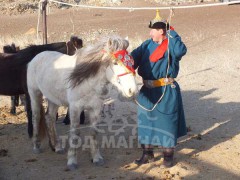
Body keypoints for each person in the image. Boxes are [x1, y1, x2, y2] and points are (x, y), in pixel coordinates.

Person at [131, 10, 187, 168]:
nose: (150, 33)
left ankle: (168, 157)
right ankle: (147, 155)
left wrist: (173, 34)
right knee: (146, 122)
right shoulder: (146, 44)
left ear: (161, 31)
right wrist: (121, 57)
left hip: (165, 91)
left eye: (153, 30)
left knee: (166, 123)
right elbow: (132, 59)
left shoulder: (171, 44)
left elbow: (181, 51)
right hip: (147, 92)